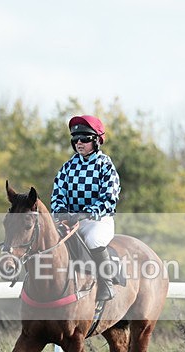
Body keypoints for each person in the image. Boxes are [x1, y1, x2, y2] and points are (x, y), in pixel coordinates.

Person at [51, 115, 121, 301]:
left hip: (97, 220)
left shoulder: (105, 165)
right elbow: (58, 194)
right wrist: (61, 212)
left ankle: (106, 284)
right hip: (70, 220)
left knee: (93, 240)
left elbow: (109, 197)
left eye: (84, 139)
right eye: (75, 139)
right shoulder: (68, 167)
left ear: (97, 140)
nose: (79, 143)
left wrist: (88, 213)